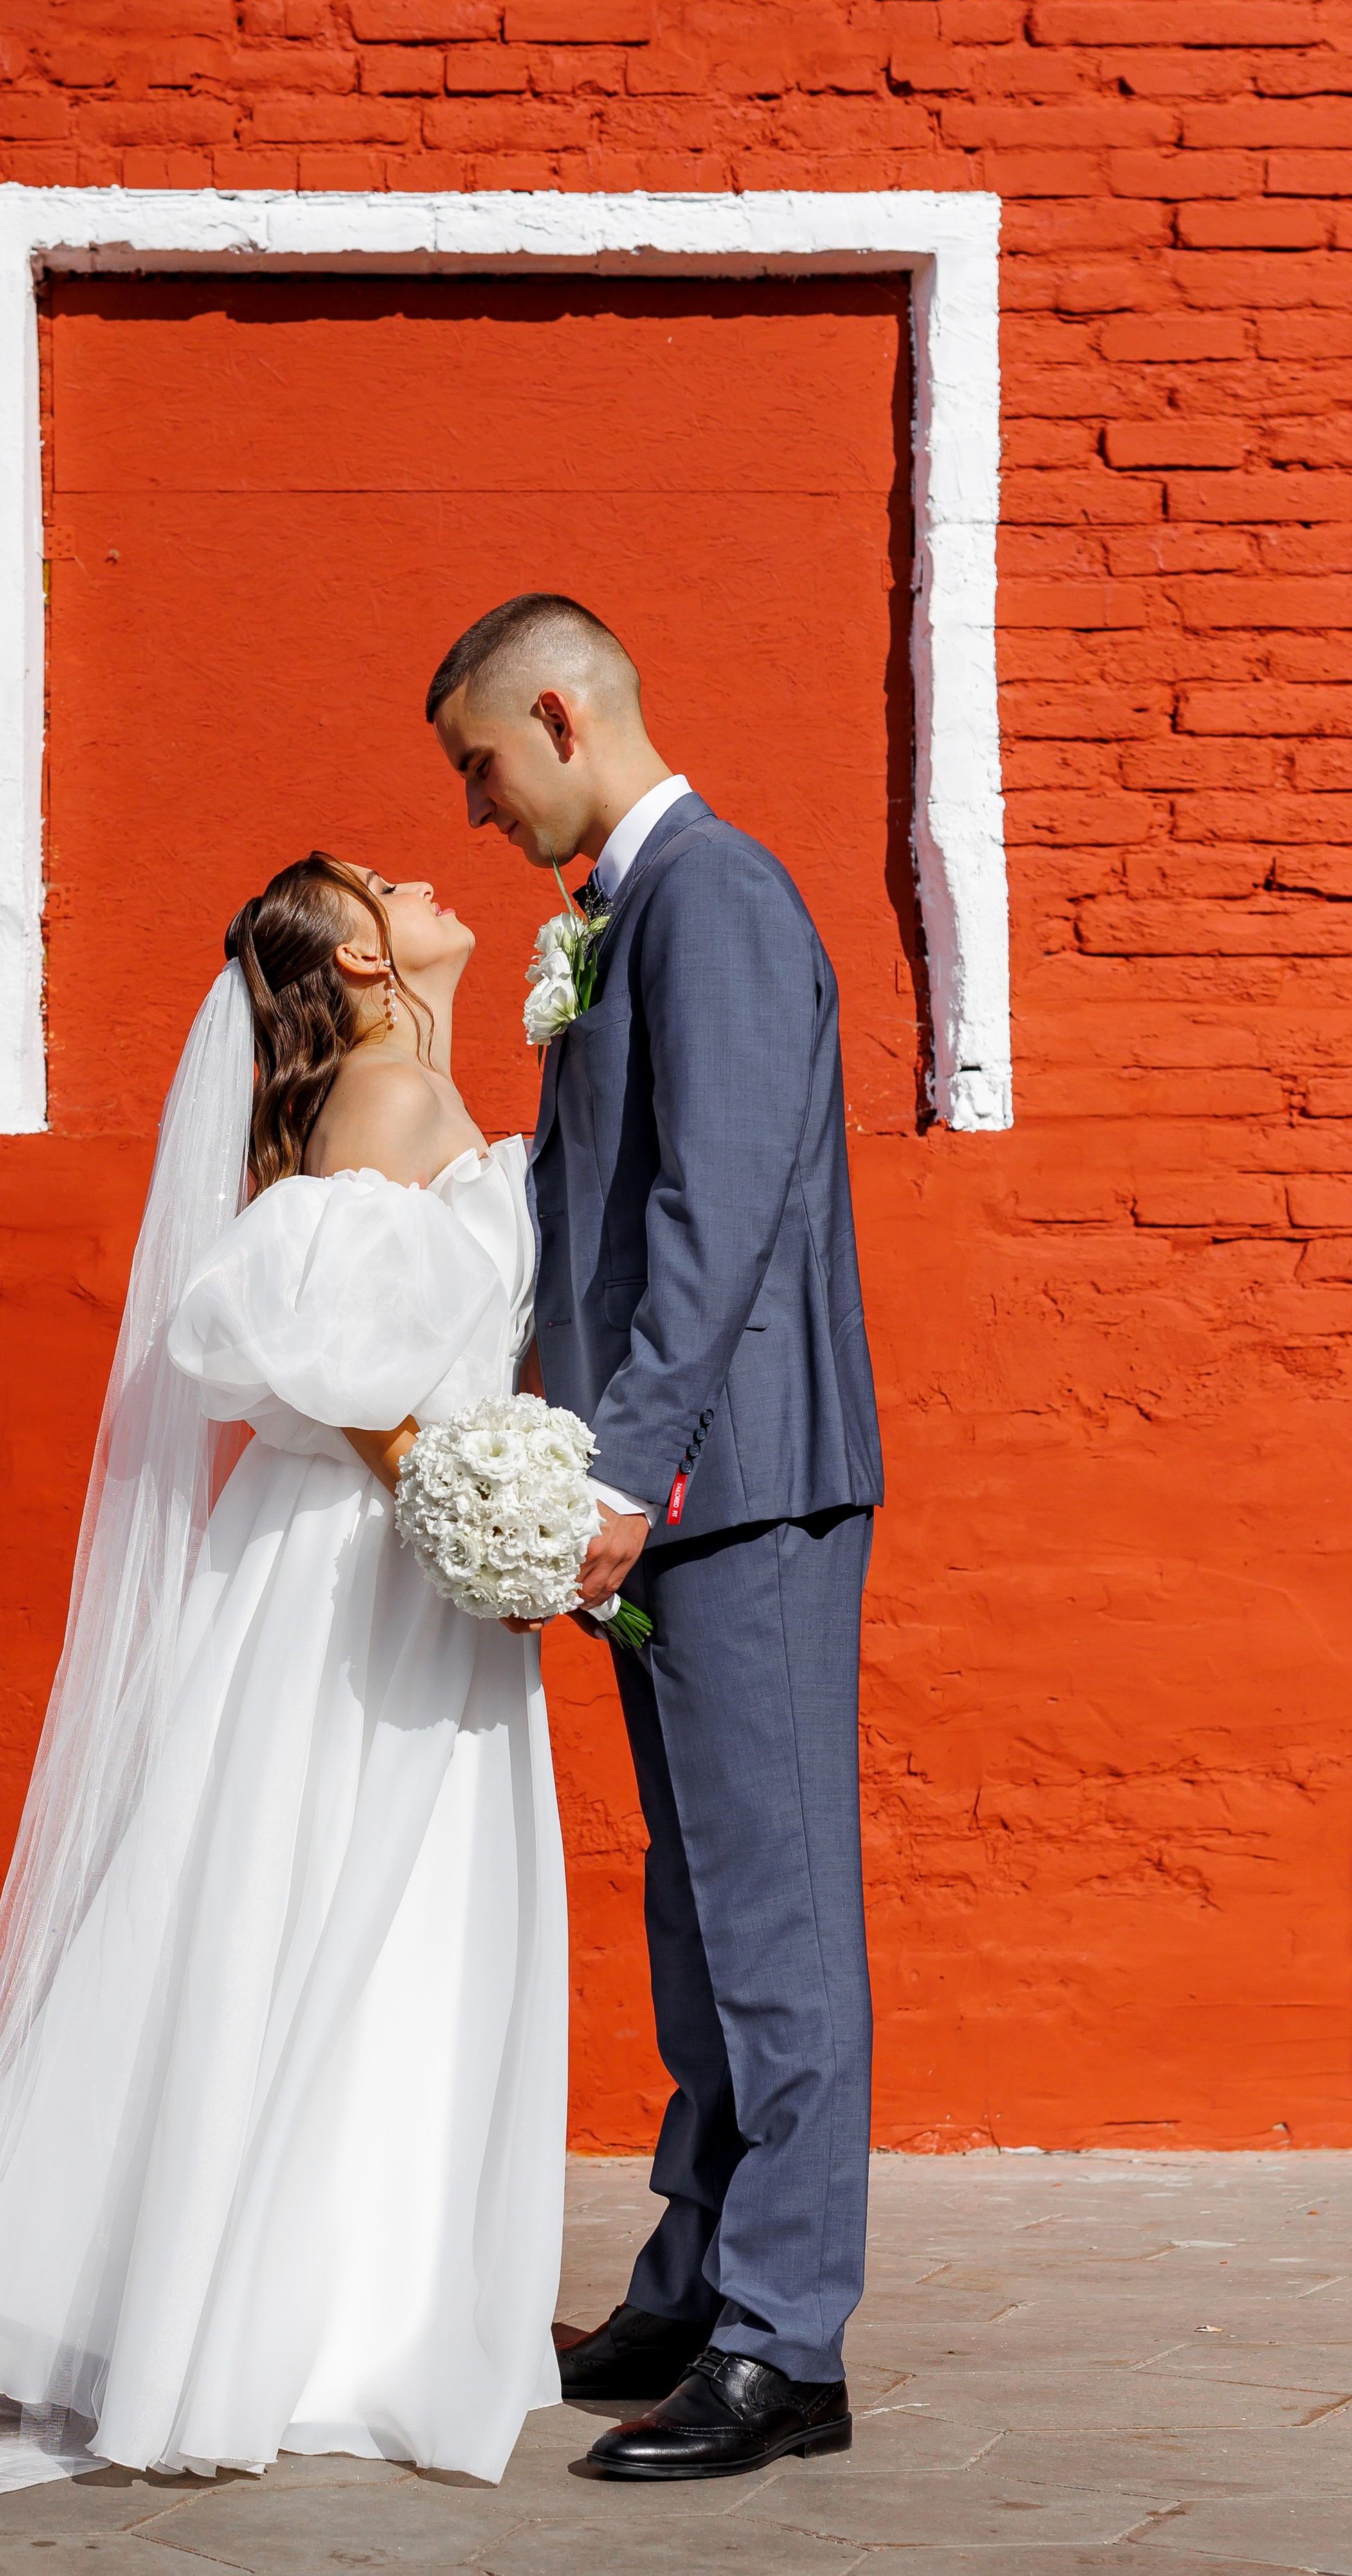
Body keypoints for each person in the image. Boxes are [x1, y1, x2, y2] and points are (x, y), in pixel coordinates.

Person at [0, 855, 567, 2502]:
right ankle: (287, 2331)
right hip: (357, 1572)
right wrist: (477, 1516)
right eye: (381, 882)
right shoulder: (384, 1094)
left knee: (339, 1919)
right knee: (330, 1909)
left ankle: (316, 2307)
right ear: (363, 958)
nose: (421, 872)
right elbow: (335, 1363)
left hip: (372, 1560)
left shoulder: (403, 1080)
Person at [430, 594, 883, 2484]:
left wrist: (623, 1474)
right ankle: (696, 2275)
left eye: (479, 763)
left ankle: (791, 2341)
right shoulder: (630, 915)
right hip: (675, 1485)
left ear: (560, 709)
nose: (474, 807)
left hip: (737, 1485)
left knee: (774, 1925)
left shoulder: (720, 898)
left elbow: (716, 1218)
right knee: (696, 1916)